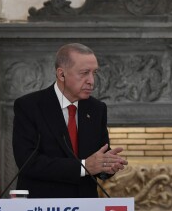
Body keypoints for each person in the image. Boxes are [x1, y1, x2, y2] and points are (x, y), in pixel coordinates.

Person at [12, 43, 127, 198]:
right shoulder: (29, 106)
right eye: (85, 73)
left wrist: (107, 167)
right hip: (41, 208)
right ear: (61, 75)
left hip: (84, 208)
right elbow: (28, 162)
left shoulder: (97, 109)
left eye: (94, 73)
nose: (91, 81)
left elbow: (98, 158)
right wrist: (84, 167)